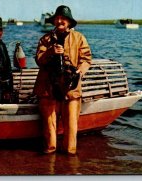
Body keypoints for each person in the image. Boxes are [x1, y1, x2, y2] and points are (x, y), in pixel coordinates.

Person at [33, 5, 92, 154]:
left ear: (69, 22)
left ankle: (70, 160)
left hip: (71, 89)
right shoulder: (45, 39)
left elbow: (86, 59)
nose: (60, 21)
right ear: (53, 21)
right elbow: (39, 60)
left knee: (72, 129)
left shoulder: (79, 38)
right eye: (57, 18)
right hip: (48, 89)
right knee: (49, 129)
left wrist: (78, 71)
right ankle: (49, 160)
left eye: (63, 18)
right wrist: (51, 52)